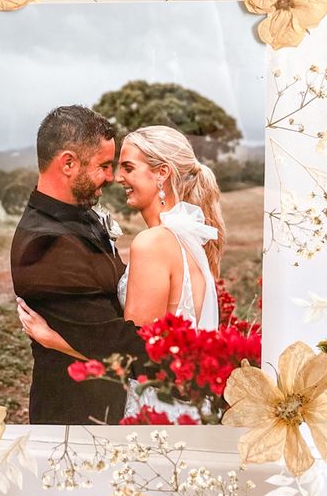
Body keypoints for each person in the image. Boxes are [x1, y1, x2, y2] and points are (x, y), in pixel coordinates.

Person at [16, 123, 226, 423]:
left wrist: (55, 340)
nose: (118, 178)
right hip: (186, 408)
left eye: (128, 167)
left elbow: (135, 359)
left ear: (162, 173)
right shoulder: (190, 238)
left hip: (154, 410)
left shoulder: (152, 243)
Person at [10, 105, 148, 424]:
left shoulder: (77, 215)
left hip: (107, 405)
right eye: (103, 165)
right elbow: (116, 347)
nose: (111, 177)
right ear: (68, 163)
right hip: (76, 416)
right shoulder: (46, 244)